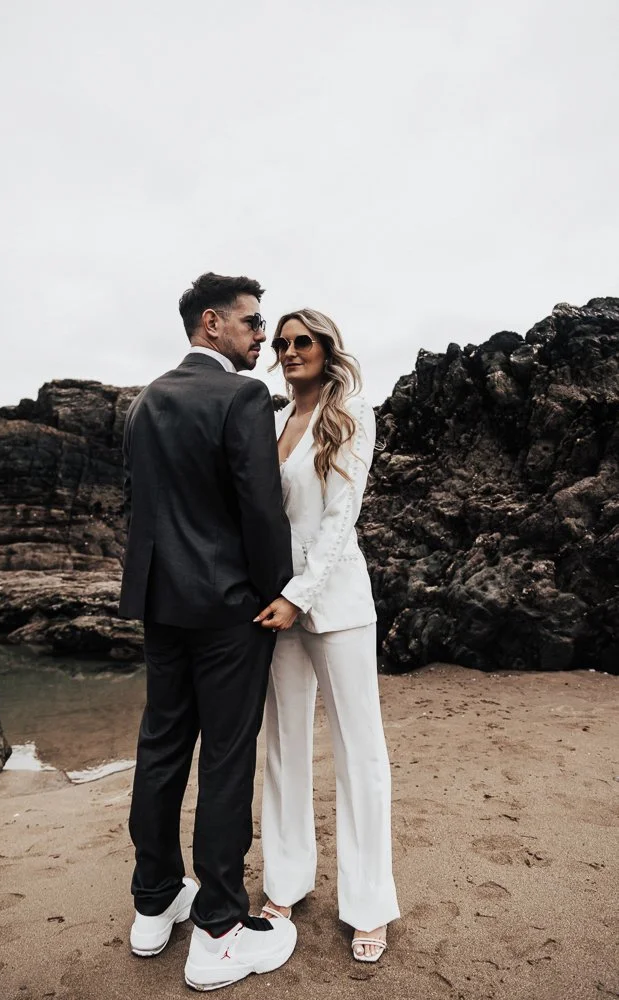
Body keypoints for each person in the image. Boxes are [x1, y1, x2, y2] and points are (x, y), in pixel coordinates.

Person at [119, 272, 297, 991]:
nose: (262, 336)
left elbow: (147, 505)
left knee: (161, 746)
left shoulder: (144, 401)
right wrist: (278, 591)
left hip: (161, 603)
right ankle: (220, 929)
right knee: (226, 758)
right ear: (212, 323)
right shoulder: (242, 396)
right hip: (228, 608)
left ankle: (155, 901)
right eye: (254, 323)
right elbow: (259, 508)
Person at [254, 309, 400, 962]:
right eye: (281, 343)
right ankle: (285, 881)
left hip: (335, 604)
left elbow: (340, 519)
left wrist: (298, 595)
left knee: (359, 756)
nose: (288, 351)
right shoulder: (267, 421)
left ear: (326, 349)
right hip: (272, 609)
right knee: (281, 749)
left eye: (301, 341)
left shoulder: (351, 416)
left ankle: (368, 903)